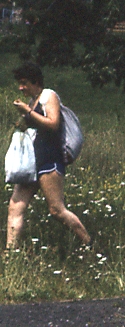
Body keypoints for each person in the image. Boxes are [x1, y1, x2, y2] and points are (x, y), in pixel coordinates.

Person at [7, 62, 91, 249]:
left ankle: (90, 246)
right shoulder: (32, 102)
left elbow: (53, 123)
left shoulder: (48, 96)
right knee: (15, 207)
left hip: (50, 160)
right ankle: (10, 256)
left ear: (35, 81)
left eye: (24, 83)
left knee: (56, 210)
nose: (21, 88)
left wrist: (28, 113)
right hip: (32, 163)